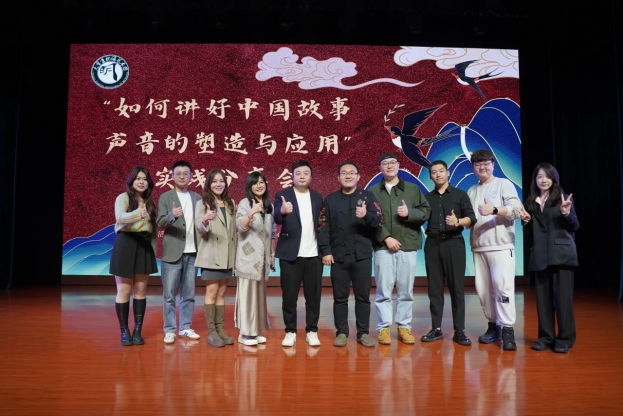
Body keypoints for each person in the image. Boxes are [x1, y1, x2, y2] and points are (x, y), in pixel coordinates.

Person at [516, 163, 579, 353]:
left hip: (561, 255)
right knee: (543, 301)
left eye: (547, 176)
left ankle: (565, 339)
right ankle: (545, 337)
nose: (543, 180)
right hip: (540, 256)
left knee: (562, 300)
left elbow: (574, 226)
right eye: (539, 176)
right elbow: (533, 233)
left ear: (554, 179)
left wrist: (566, 213)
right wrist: (526, 221)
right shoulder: (531, 202)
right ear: (535, 180)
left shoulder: (563, 199)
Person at [319, 161, 382, 348]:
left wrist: (366, 215)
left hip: (362, 255)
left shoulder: (368, 197)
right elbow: (323, 226)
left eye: (352, 173)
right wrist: (326, 251)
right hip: (338, 255)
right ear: (338, 177)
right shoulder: (330, 199)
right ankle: (341, 332)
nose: (348, 176)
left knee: (363, 297)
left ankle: (363, 333)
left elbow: (379, 222)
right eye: (344, 173)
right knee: (340, 298)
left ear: (358, 176)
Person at [370, 153, 430, 345]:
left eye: (392, 162)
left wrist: (409, 213)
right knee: (383, 290)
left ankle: (404, 326)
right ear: (379, 168)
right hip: (383, 247)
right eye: (385, 163)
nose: (389, 166)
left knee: (406, 290)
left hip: (407, 245)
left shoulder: (412, 189)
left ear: (399, 165)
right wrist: (386, 237)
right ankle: (384, 328)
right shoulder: (372, 192)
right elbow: (370, 218)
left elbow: (425, 212)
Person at [467, 149, 522, 351]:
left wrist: (494, 210)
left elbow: (516, 210)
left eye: (485, 163)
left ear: (493, 164)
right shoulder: (471, 191)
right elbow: (469, 218)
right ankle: (493, 326)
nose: (482, 167)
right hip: (479, 246)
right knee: (483, 291)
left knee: (502, 287)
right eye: (477, 164)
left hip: (501, 245)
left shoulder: (503, 184)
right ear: (473, 168)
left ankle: (507, 329)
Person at [422, 160, 476, 345]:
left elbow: (472, 218)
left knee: (457, 289)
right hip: (432, 244)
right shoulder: (426, 198)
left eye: (441, 171)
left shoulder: (460, 195)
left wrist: (457, 222)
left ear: (448, 172)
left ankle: (459, 331)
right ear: (430, 176)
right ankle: (436, 329)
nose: (438, 174)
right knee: (434, 289)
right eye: (434, 172)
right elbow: (418, 218)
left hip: (454, 243)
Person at [274, 160, 324, 347]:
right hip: (290, 255)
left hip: (314, 255)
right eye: (298, 173)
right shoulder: (283, 195)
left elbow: (322, 224)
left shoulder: (318, 197)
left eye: (306, 173)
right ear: (292, 176)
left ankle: (312, 331)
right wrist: (282, 211)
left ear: (311, 176)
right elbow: (276, 218)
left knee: (313, 297)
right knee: (289, 297)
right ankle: (290, 331)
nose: (302, 176)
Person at [109, 166, 158, 346]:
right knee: (124, 291)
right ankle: (124, 331)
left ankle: (138, 330)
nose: (141, 181)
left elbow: (152, 230)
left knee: (140, 291)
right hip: (126, 243)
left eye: (145, 179)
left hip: (144, 245)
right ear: (131, 181)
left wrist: (152, 251)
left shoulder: (150, 202)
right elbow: (120, 217)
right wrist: (138, 213)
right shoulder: (123, 198)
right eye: (138, 178)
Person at [156, 160, 202, 344]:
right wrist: (171, 216)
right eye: (178, 173)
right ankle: (169, 330)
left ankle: (185, 327)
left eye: (186, 173)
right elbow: (160, 222)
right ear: (172, 176)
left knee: (189, 294)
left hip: (193, 253)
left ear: (191, 176)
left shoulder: (197, 197)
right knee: (169, 296)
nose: (182, 177)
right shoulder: (165, 197)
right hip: (172, 253)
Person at [195, 169, 237, 348]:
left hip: (227, 255)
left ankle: (220, 330)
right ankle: (212, 333)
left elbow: (233, 231)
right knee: (212, 292)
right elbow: (199, 228)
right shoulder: (203, 203)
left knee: (222, 292)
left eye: (221, 181)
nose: (218, 184)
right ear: (208, 184)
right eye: (214, 181)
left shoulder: (230, 203)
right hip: (211, 254)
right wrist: (205, 219)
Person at [235, 172, 277, 346]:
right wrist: (251, 213)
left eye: (261, 182)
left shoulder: (269, 206)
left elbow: (272, 232)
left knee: (259, 297)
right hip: (248, 258)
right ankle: (245, 334)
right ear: (249, 186)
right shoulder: (245, 203)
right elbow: (240, 227)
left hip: (263, 259)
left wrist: (272, 255)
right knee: (247, 297)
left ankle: (255, 331)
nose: (259, 186)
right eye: (255, 183)